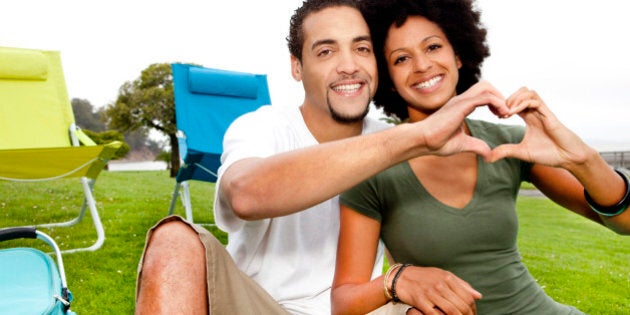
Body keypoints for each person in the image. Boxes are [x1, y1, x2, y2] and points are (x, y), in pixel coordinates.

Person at [135, 0, 515, 313]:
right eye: (326, 50)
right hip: (260, 305)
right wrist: (409, 139)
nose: (348, 64)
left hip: (360, 308)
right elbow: (246, 195)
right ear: (297, 66)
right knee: (173, 240)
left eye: (361, 48)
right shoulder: (262, 126)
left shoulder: (399, 139)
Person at [331, 0, 630, 314]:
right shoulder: (374, 165)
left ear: (458, 55)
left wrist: (582, 159)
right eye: (402, 58)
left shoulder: (510, 143)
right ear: (388, 78)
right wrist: (397, 280)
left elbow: (624, 223)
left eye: (432, 47)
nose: (421, 65)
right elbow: (344, 302)